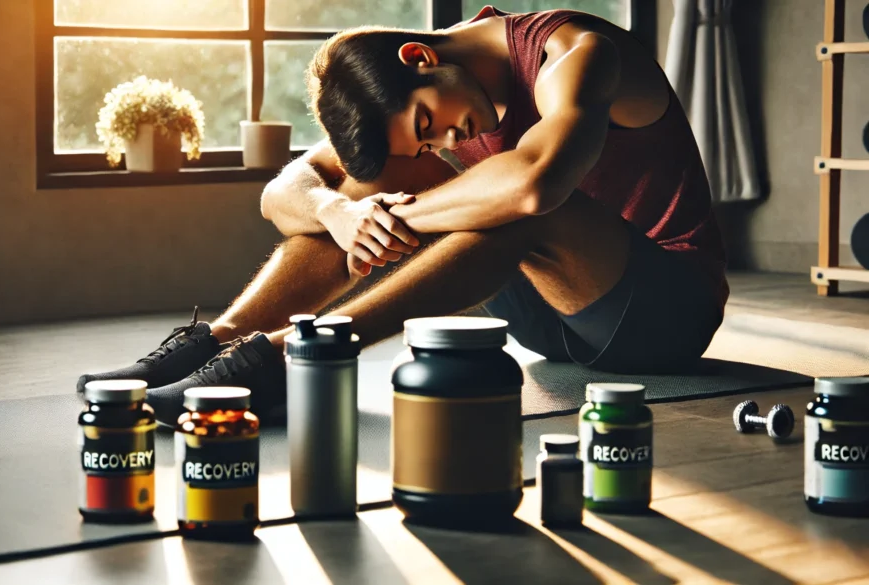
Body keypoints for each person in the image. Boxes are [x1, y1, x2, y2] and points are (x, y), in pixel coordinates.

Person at [78, 6, 728, 427]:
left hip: (661, 312)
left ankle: (290, 358)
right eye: (428, 138)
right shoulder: (440, 102)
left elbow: (534, 186)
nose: (445, 141)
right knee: (366, 187)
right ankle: (217, 342)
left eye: (428, 123)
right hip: (546, 318)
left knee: (505, 199)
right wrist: (339, 212)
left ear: (421, 57)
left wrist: (396, 214)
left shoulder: (577, 53)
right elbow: (282, 192)